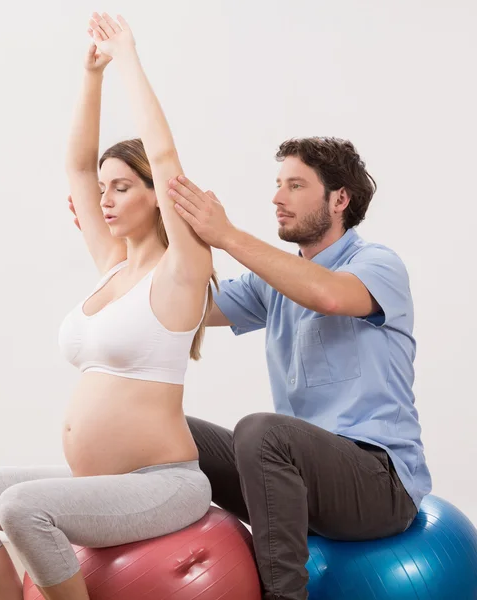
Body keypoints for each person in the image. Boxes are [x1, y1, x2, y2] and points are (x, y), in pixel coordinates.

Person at [0, 13, 216, 600]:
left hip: (162, 484)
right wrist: (91, 76)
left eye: (123, 186)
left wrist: (127, 55)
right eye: (104, 188)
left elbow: (163, 152)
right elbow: (77, 167)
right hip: (97, 482)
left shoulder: (182, 271)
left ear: (158, 196)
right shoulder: (111, 264)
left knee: (23, 508)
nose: (103, 199)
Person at [160, 137, 431, 600]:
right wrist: (140, 234)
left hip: (380, 485)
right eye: (278, 184)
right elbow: (182, 307)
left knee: (263, 432)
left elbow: (325, 294)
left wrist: (226, 235)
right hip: (302, 483)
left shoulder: (378, 264)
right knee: (161, 426)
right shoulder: (273, 282)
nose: (277, 198)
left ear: (339, 199)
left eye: (296, 185)